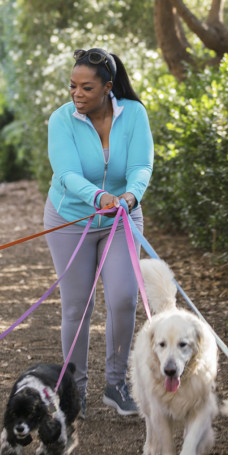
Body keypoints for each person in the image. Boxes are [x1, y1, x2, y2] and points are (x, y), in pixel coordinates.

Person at [43, 47, 153, 417]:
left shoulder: (134, 115)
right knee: (78, 307)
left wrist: (130, 196)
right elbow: (67, 174)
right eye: (72, 86)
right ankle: (74, 391)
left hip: (121, 218)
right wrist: (99, 196)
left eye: (86, 88)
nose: (76, 94)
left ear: (108, 87)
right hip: (70, 219)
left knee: (124, 299)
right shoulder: (61, 120)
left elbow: (141, 166)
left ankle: (116, 384)